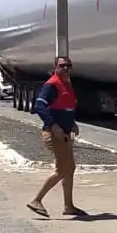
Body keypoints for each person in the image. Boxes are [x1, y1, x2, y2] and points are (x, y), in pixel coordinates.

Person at [26, 56, 88, 218]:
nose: (66, 68)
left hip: (65, 133)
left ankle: (69, 206)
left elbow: (65, 107)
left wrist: (72, 123)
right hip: (55, 134)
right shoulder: (51, 85)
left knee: (70, 169)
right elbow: (39, 106)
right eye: (62, 66)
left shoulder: (66, 84)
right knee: (62, 170)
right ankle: (36, 200)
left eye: (68, 65)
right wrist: (54, 126)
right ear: (55, 67)